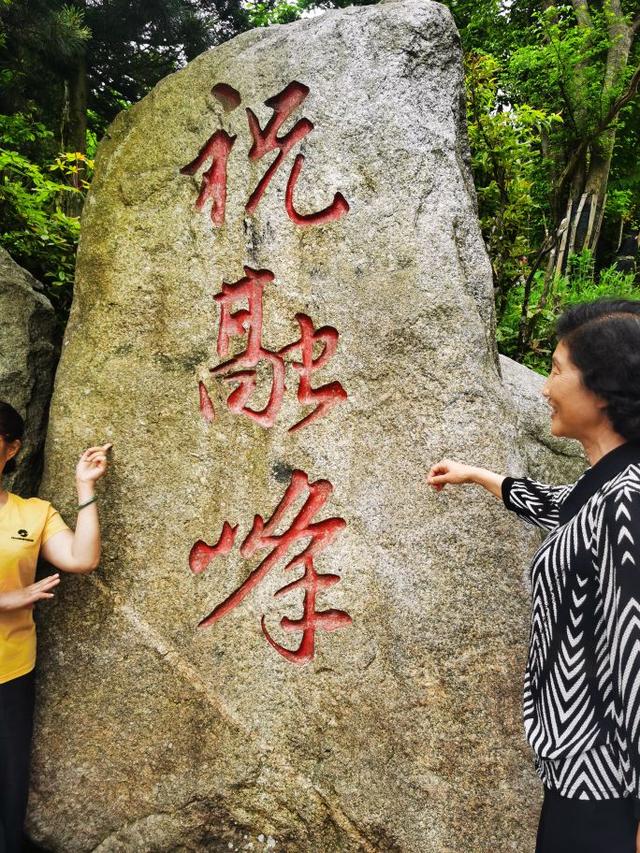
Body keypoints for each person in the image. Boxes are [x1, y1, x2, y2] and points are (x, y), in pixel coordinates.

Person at [427, 299, 640, 853]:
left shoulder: (629, 502)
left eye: (557, 369)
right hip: (579, 771)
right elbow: (560, 506)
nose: (545, 388)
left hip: (607, 789)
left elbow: (636, 659)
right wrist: (479, 476)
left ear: (602, 389)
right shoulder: (609, 482)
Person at [0, 400, 111, 853]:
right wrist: (6, 599)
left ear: (11, 450)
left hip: (10, 673)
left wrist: (84, 488)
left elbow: (82, 559)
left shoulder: (34, 514)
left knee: (7, 793)